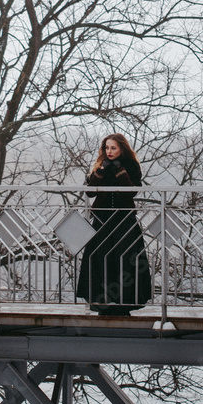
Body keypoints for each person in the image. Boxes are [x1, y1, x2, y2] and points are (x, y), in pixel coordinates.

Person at [76, 133, 151, 316]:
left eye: (113, 148)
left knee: (125, 259)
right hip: (102, 220)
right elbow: (91, 193)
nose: (109, 151)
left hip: (123, 219)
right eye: (107, 148)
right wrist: (100, 172)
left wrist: (120, 171)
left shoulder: (131, 165)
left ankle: (125, 301)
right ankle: (101, 301)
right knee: (100, 258)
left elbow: (131, 192)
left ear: (121, 149)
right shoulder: (100, 165)